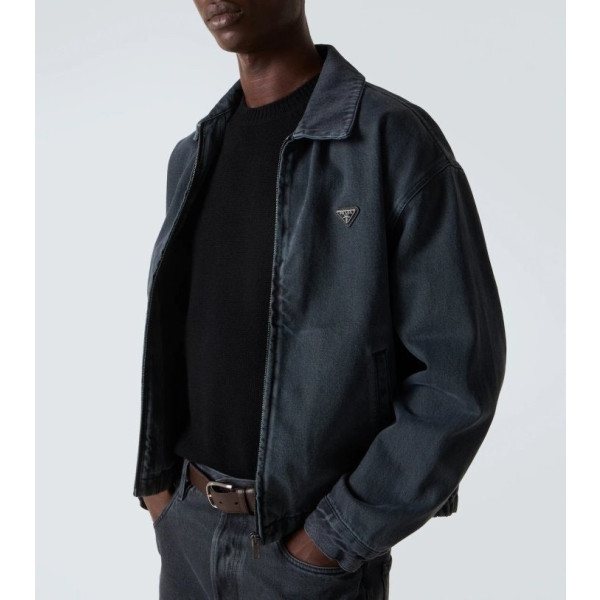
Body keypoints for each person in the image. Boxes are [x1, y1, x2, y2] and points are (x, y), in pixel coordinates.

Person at [132, 1, 507, 598]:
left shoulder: (390, 140)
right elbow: (181, 340)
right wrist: (160, 493)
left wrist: (335, 537)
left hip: (305, 555)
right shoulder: (193, 155)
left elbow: (457, 376)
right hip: (186, 535)